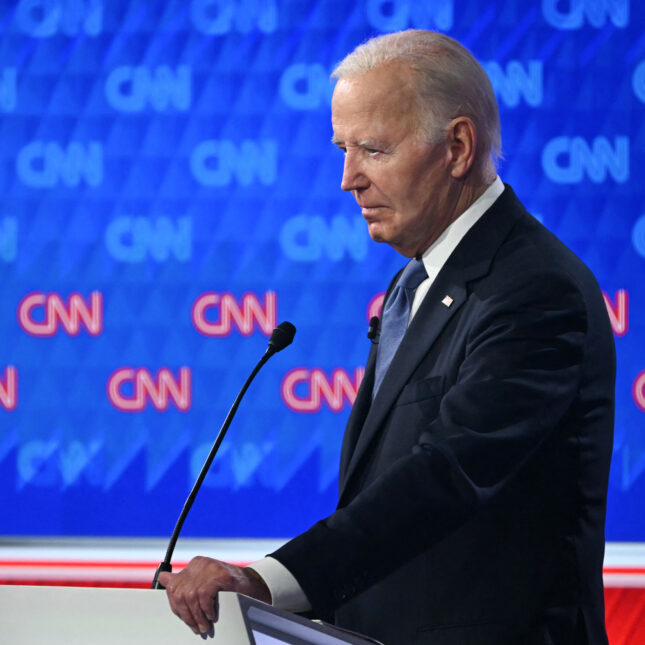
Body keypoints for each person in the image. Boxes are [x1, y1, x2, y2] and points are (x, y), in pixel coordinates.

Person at [159, 30, 615, 644]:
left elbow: (447, 473)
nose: (349, 178)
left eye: (373, 149)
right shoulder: (417, 282)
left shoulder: (533, 289)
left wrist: (268, 581)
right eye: (343, 149)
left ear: (457, 146)